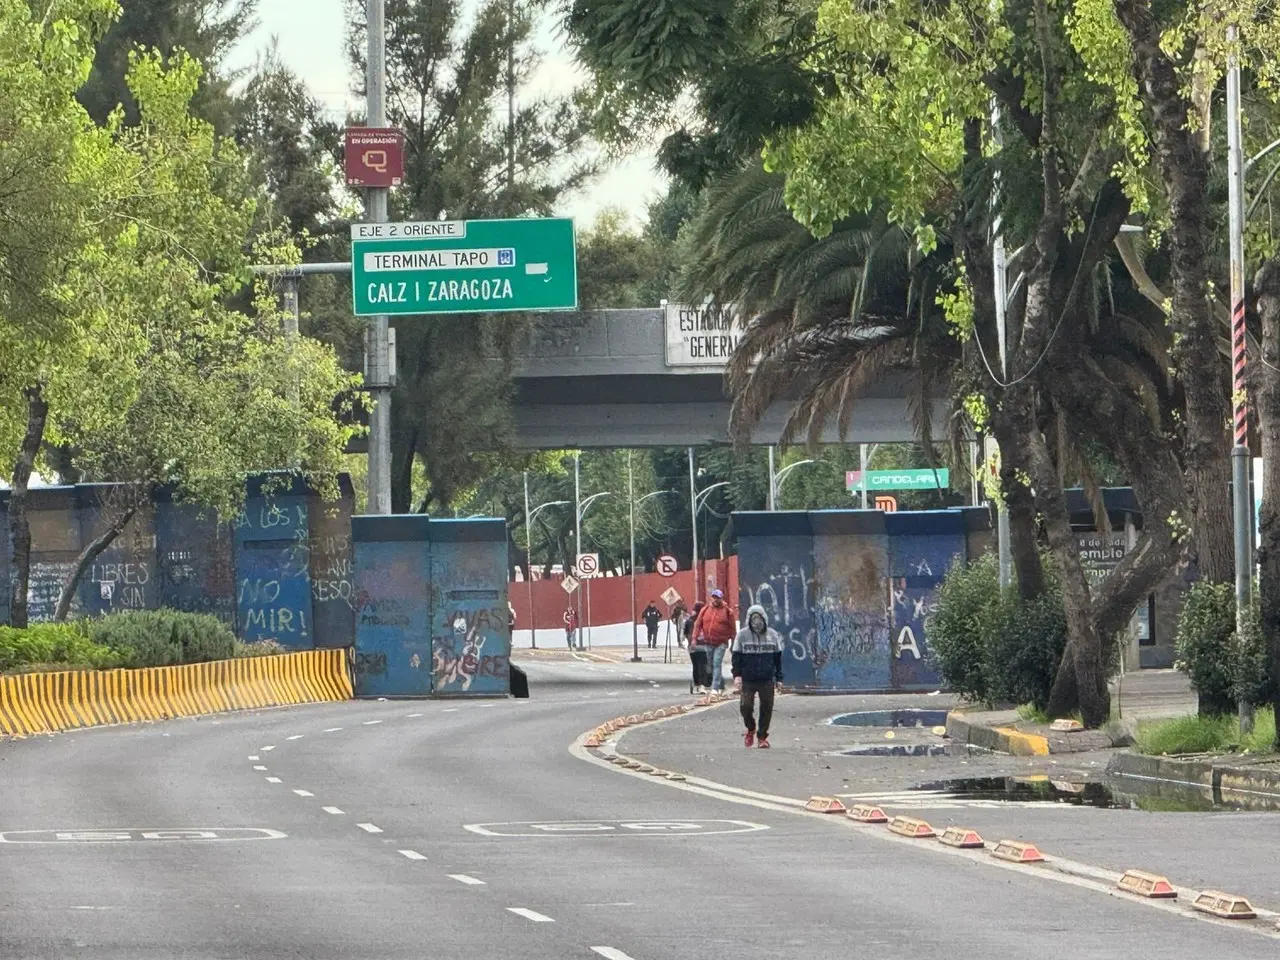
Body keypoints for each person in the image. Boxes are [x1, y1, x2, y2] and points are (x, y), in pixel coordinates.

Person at [731, 604, 785, 748]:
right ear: (749, 619)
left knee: (767, 707)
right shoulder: (742, 635)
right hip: (748, 678)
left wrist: (779, 678)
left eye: (759, 617)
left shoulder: (773, 635)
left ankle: (762, 737)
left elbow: (778, 658)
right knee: (745, 706)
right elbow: (736, 657)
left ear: (764, 618)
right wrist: (737, 676)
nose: (756, 621)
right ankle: (751, 728)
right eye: (753, 618)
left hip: (766, 678)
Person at [692, 589, 736, 693]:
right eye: (714, 597)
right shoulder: (705, 609)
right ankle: (721, 684)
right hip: (708, 642)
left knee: (717, 663)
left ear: (721, 598)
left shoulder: (728, 611)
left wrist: (732, 640)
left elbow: (733, 628)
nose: (715, 600)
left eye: (718, 598)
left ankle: (715, 688)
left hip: (721, 642)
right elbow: (697, 624)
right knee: (711, 665)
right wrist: (694, 638)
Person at [684, 600, 708, 692]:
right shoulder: (706, 619)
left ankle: (697, 683)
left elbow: (686, 633)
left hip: (692, 647)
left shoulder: (689, 621)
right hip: (704, 645)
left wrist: (690, 641)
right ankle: (702, 684)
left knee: (696, 665)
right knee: (703, 665)